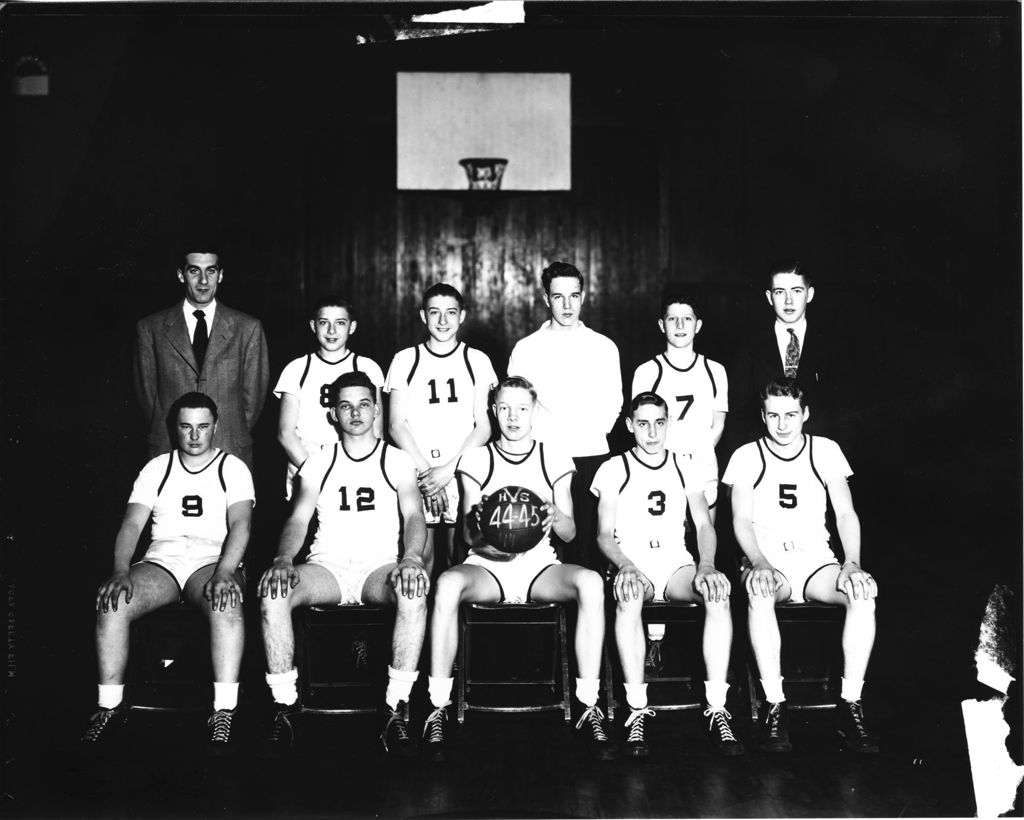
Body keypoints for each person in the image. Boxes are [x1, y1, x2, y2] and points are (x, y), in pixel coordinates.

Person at [421, 376, 616, 763]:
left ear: (533, 411)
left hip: (539, 565)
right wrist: (479, 525)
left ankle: (588, 705)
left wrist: (554, 514)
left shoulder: (553, 456)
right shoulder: (476, 459)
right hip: (488, 565)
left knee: (591, 584)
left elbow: (570, 531)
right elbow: (467, 537)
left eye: (522, 408)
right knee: (445, 585)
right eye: (505, 408)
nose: (513, 417)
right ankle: (437, 706)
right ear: (493, 410)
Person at [258, 371, 430, 759]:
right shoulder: (320, 460)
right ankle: (284, 707)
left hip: (378, 568)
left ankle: (396, 707)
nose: (355, 412)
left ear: (375, 410)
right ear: (333, 413)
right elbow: (298, 519)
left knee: (413, 591)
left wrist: (411, 558)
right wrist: (283, 559)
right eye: (345, 405)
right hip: (328, 568)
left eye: (364, 404)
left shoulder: (396, 459)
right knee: (274, 592)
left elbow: (414, 514)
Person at [81, 392, 254, 756]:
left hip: (212, 559)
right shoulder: (157, 468)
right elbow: (132, 524)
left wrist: (225, 570)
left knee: (225, 604)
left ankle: (224, 710)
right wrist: (119, 570)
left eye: (203, 427)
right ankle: (109, 707)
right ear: (175, 428)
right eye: (187, 427)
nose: (195, 436)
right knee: (113, 603)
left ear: (216, 427)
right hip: (164, 560)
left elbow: (240, 525)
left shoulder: (232, 467)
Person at [722, 377, 879, 754]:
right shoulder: (746, 455)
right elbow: (740, 520)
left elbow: (845, 512)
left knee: (863, 595)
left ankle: (850, 705)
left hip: (815, 560)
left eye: (791, 414)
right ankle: (774, 707)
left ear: (805, 414)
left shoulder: (825, 450)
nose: (782, 424)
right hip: (768, 559)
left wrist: (852, 563)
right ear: (762, 416)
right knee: (760, 593)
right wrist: (759, 561)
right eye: (773, 415)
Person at [592, 393, 743, 757]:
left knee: (717, 594)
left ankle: (717, 707)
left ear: (668, 423)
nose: (652, 432)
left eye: (659, 422)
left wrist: (706, 563)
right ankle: (636, 707)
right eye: (642, 423)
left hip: (675, 563)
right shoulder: (614, 468)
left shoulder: (685, 466)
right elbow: (602, 533)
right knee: (628, 597)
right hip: (634, 562)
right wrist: (625, 564)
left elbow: (704, 524)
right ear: (630, 426)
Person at [631, 294, 728, 671]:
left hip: (701, 470)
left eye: (687, 319)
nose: (681, 326)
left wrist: (695, 458)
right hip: (659, 473)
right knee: (661, 551)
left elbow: (717, 425)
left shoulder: (714, 370)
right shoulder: (648, 370)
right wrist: (667, 462)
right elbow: (644, 423)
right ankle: (655, 640)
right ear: (662, 326)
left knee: (702, 553)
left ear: (698, 325)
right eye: (673, 320)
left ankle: (701, 646)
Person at [507, 262, 622, 568]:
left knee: (590, 548)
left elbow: (614, 403)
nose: (567, 305)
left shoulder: (603, 347)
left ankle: (593, 616)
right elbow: (518, 404)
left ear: (583, 296)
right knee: (548, 547)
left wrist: (584, 433)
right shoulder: (527, 348)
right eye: (559, 297)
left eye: (574, 295)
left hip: (592, 456)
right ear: (546, 299)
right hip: (546, 458)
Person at [385, 283, 496, 573]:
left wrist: (448, 471)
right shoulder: (405, 359)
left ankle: (451, 619)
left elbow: (483, 427)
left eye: (451, 313)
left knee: (458, 558)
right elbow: (397, 425)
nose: (443, 321)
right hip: (419, 469)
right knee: (421, 557)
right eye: (435, 313)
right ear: (423, 316)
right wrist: (427, 474)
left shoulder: (477, 360)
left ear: (462, 316)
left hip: (460, 470)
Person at [134, 248, 270, 470]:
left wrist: (227, 429)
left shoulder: (248, 328)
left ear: (221, 275)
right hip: (168, 448)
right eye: (194, 271)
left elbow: (253, 400)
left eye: (211, 271)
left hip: (228, 447)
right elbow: (148, 397)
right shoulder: (151, 328)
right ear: (181, 275)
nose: (204, 280)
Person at [274, 295, 385, 499]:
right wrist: (318, 474)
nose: (331, 331)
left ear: (351, 327)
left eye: (340, 323)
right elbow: (285, 433)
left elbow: (376, 431)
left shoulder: (368, 367)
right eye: (324, 323)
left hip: (355, 472)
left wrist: (360, 469)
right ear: (313, 326)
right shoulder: (296, 369)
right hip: (307, 468)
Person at [735, 260, 834, 442]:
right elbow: (740, 414)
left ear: (809, 294)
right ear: (769, 296)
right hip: (766, 453)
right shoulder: (748, 346)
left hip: (817, 453)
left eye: (796, 291)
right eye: (780, 292)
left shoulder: (833, 345)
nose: (788, 301)